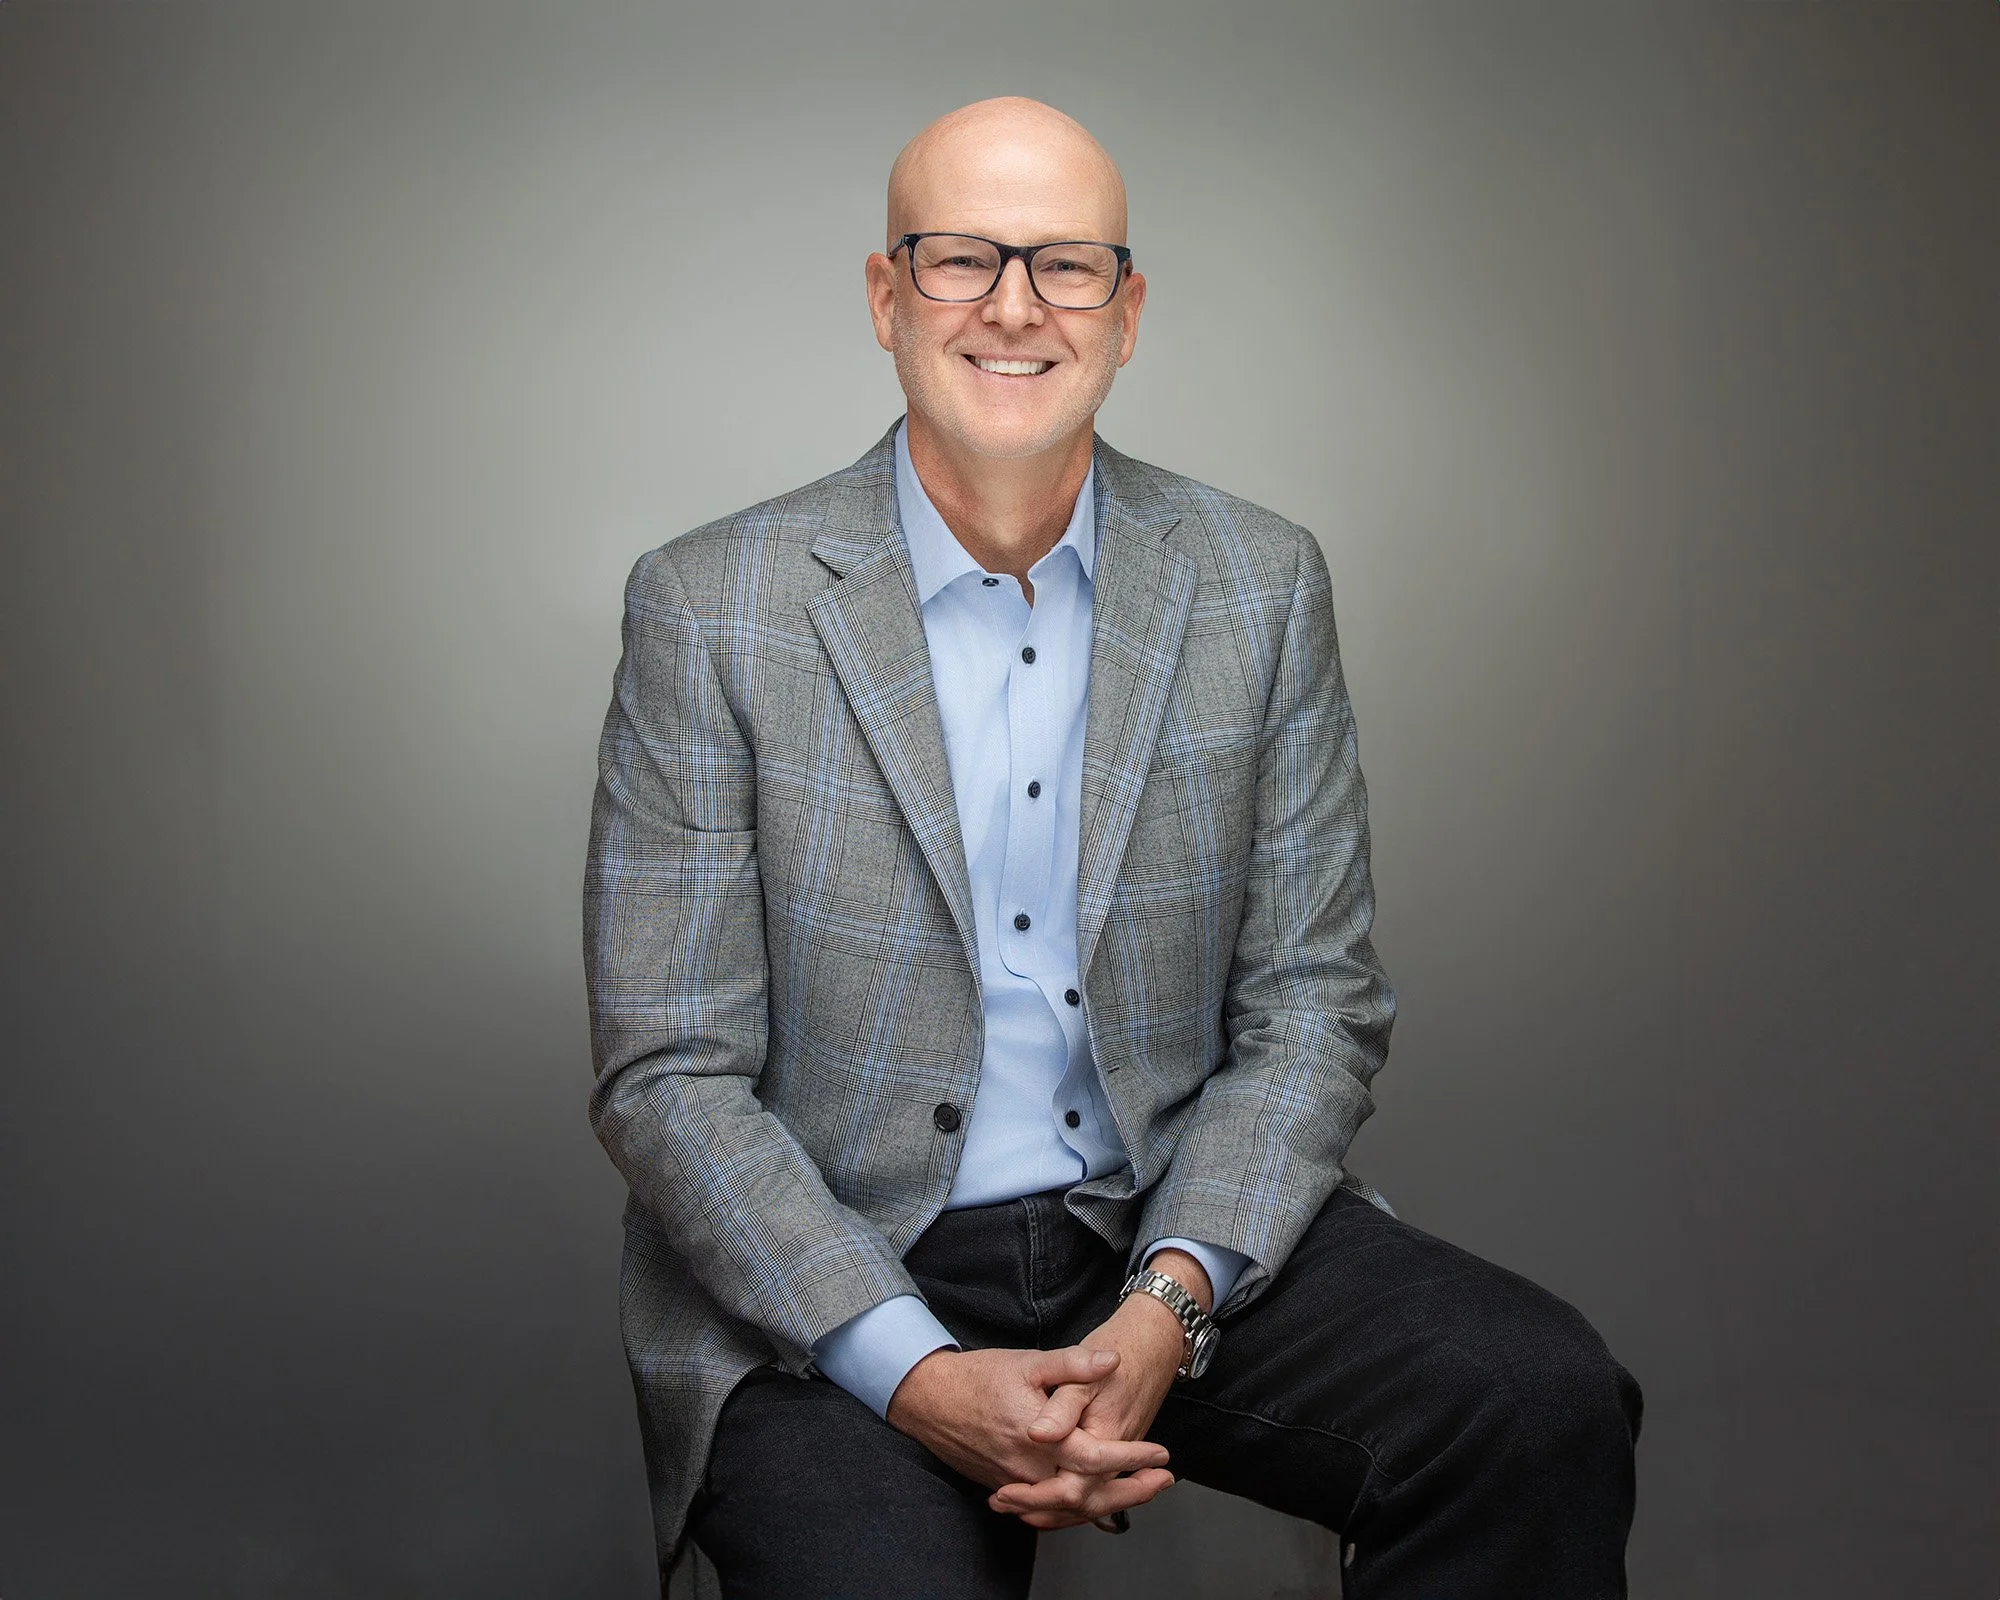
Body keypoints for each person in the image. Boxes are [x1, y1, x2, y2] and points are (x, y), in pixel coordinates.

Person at [583, 95, 1641, 1599]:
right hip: (837, 1257)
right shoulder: (710, 608)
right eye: (958, 259)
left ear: (1126, 311)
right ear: (886, 296)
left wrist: (1170, 1305)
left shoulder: (1259, 584)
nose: (1014, 307)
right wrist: (917, 1374)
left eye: (1066, 265)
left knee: (1535, 1403)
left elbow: (1313, 1006)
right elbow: (668, 1077)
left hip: (1156, 1216)